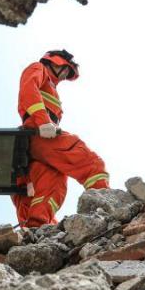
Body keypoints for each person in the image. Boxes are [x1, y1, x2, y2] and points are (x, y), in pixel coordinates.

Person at [12, 49, 109, 228]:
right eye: (65, 69)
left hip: (37, 139)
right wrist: (42, 121)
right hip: (40, 133)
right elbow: (28, 90)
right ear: (54, 61)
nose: (65, 75)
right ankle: (106, 206)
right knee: (91, 163)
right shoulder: (38, 68)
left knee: (53, 185)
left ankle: (36, 227)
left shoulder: (52, 88)